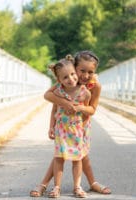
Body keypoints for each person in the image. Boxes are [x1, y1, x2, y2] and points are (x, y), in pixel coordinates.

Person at [30, 51, 111, 197]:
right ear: (75, 67)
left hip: (82, 125)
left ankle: (90, 184)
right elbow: (49, 96)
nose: (85, 75)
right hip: (65, 125)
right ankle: (45, 184)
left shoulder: (94, 86)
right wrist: (65, 103)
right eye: (82, 71)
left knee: (81, 155)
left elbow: (92, 109)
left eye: (90, 72)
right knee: (60, 155)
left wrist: (79, 108)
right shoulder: (66, 80)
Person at [46, 55, 91, 198]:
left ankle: (77, 186)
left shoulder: (85, 93)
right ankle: (56, 187)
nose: (70, 79)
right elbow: (54, 110)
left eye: (72, 74)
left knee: (77, 159)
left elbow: (87, 112)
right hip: (61, 130)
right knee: (59, 158)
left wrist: (83, 128)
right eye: (65, 77)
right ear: (59, 80)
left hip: (77, 130)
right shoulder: (58, 91)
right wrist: (51, 127)